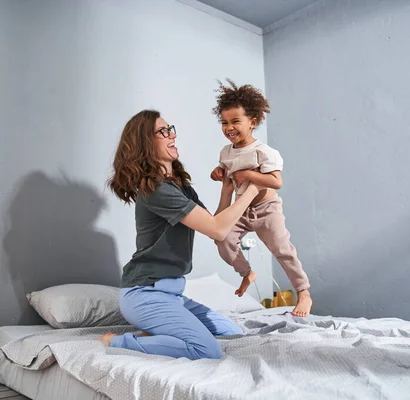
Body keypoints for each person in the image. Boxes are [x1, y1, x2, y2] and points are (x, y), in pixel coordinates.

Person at [96, 109, 263, 360]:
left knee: (232, 332)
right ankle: (118, 341)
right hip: (145, 294)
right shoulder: (154, 189)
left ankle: (156, 334)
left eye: (170, 129)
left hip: (173, 295)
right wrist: (253, 189)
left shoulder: (179, 186)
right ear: (145, 143)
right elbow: (218, 228)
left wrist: (227, 190)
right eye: (162, 132)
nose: (171, 135)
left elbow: (216, 229)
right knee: (207, 349)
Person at [210, 79, 313, 317]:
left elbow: (276, 181)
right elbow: (224, 171)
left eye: (236, 121)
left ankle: (303, 292)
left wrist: (249, 174)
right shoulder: (225, 151)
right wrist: (217, 173)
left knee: (282, 249)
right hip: (240, 210)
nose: (229, 127)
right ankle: (247, 273)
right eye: (224, 122)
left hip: (267, 209)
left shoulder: (264, 152)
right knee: (222, 240)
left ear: (252, 122)